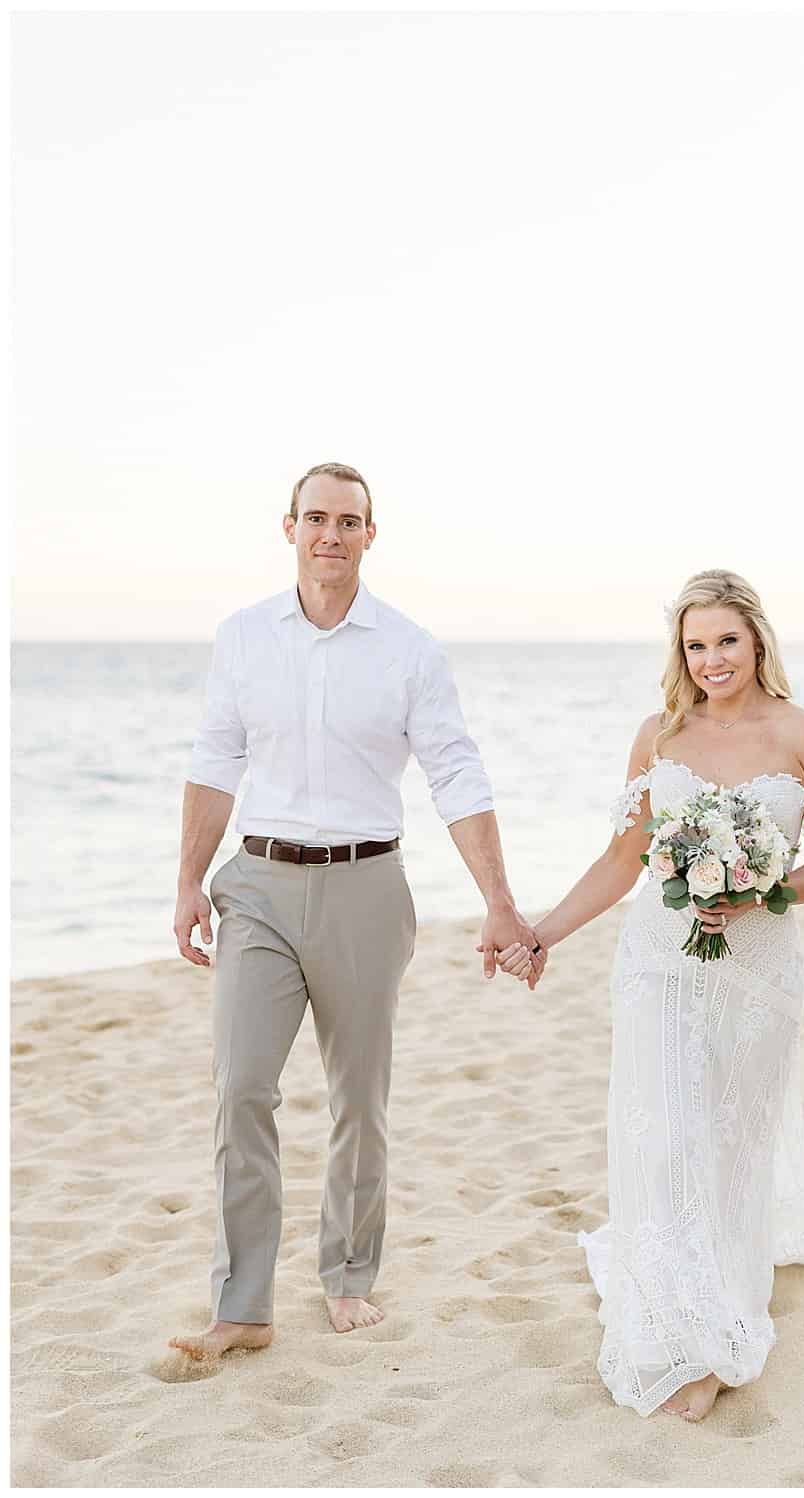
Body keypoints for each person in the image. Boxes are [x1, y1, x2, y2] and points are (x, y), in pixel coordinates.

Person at [169, 462, 539, 1361]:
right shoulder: (244, 636)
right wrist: (187, 882)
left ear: (372, 535)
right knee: (241, 1088)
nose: (330, 534)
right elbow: (216, 760)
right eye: (315, 518)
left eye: (349, 520)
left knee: (357, 1099)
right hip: (254, 885)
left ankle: (347, 1278)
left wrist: (499, 901)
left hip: (368, 887)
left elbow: (455, 770)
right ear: (288, 526)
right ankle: (243, 1304)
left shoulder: (409, 648)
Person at [492, 568, 804, 1421]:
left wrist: (765, 893)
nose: (711, 661)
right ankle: (680, 1326)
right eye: (695, 646)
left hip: (757, 967)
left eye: (726, 640)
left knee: (728, 1141)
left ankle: (724, 1318)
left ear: (757, 639)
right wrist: (543, 933)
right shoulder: (658, 736)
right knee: (665, 1139)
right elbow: (624, 861)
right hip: (659, 963)